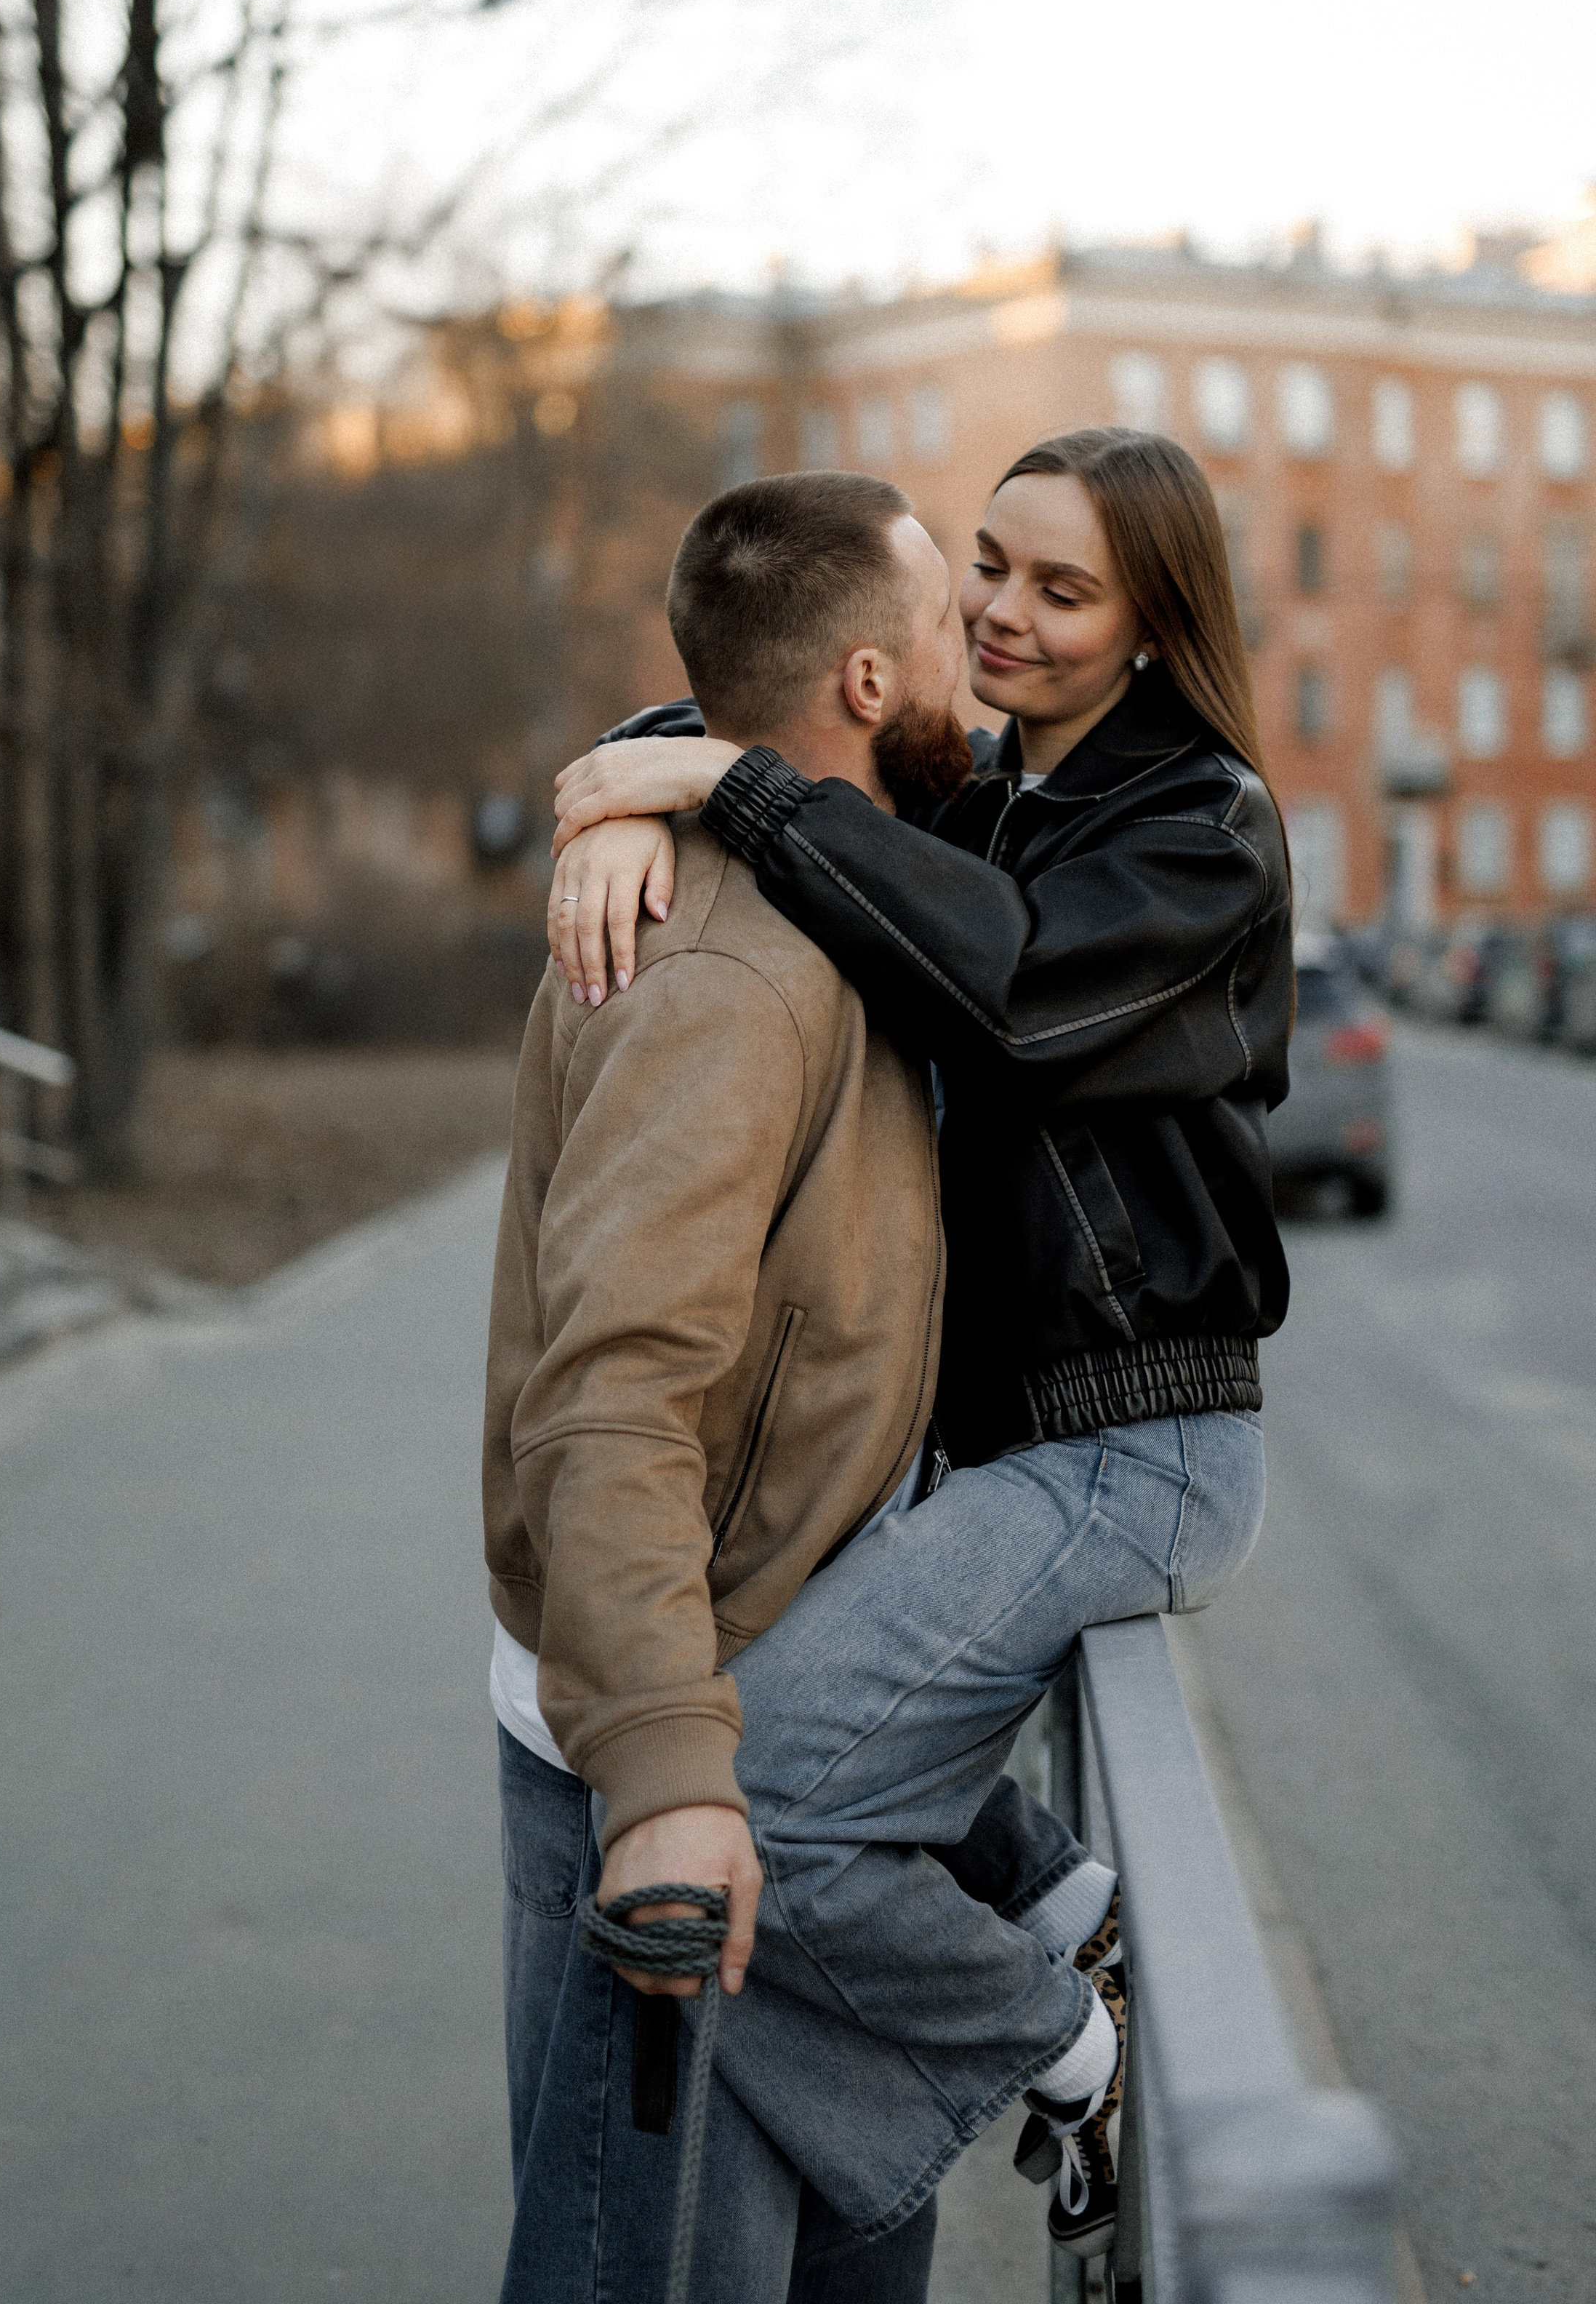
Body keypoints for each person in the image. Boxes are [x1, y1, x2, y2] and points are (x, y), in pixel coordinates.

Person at [543, 426, 1291, 2259]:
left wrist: (712, 787)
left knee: (754, 1808)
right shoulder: (990, 791)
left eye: (1061, 590)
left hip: (1130, 1444)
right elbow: (782, 707)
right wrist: (633, 785)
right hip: (999, 1450)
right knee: (783, 1735)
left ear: (1151, 624)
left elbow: (1011, 984)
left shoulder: (1200, 829)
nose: (1000, 612)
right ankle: (1060, 1916)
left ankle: (1068, 2051)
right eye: (987, 564)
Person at [487, 471, 1123, 2304]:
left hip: (784, 1714)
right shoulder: (725, 976)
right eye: (941, 626)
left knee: (848, 2263)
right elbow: (611, 1393)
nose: (976, 662)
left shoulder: (843, 894)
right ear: (862, 680)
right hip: (688, 1751)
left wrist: (641, 769)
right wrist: (666, 1778)